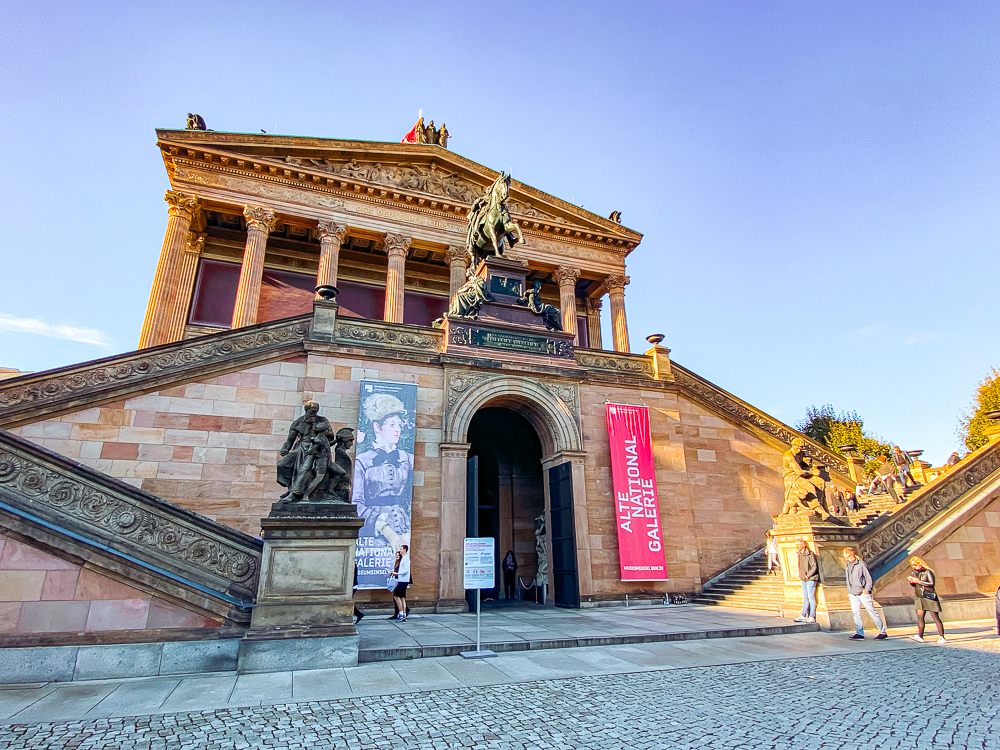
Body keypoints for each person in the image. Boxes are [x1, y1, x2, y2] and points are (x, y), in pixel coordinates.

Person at [842, 547, 887, 640]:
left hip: (862, 592)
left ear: (849, 554)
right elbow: (848, 579)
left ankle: (882, 631)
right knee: (856, 613)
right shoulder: (847, 565)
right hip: (852, 593)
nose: (843, 555)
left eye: (844, 553)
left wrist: (867, 589)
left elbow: (868, 577)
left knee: (871, 612)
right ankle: (860, 633)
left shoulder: (861, 564)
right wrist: (849, 591)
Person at [905, 556, 946, 643]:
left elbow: (931, 583)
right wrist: (912, 581)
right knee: (920, 617)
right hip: (919, 597)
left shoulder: (928, 572)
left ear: (920, 564)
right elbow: (915, 585)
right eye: (912, 565)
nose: (914, 567)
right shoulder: (914, 572)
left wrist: (918, 581)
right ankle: (920, 636)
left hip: (929, 596)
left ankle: (942, 637)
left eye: (915, 565)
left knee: (935, 617)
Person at [794, 538, 819, 623]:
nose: (797, 547)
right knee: (805, 597)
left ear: (803, 545)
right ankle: (803, 615)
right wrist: (801, 575)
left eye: (798, 545)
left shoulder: (810, 554)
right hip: (803, 578)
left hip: (811, 578)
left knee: (811, 597)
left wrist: (808, 575)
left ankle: (812, 616)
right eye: (796, 545)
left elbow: (814, 566)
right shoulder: (799, 554)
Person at [390, 544, 411, 622]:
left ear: (405, 550)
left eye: (401, 549)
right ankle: (404, 614)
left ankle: (401, 613)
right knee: (402, 598)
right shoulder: (404, 558)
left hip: (403, 580)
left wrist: (397, 573)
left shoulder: (405, 558)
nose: (400, 550)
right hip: (402, 580)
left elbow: (406, 570)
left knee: (396, 596)